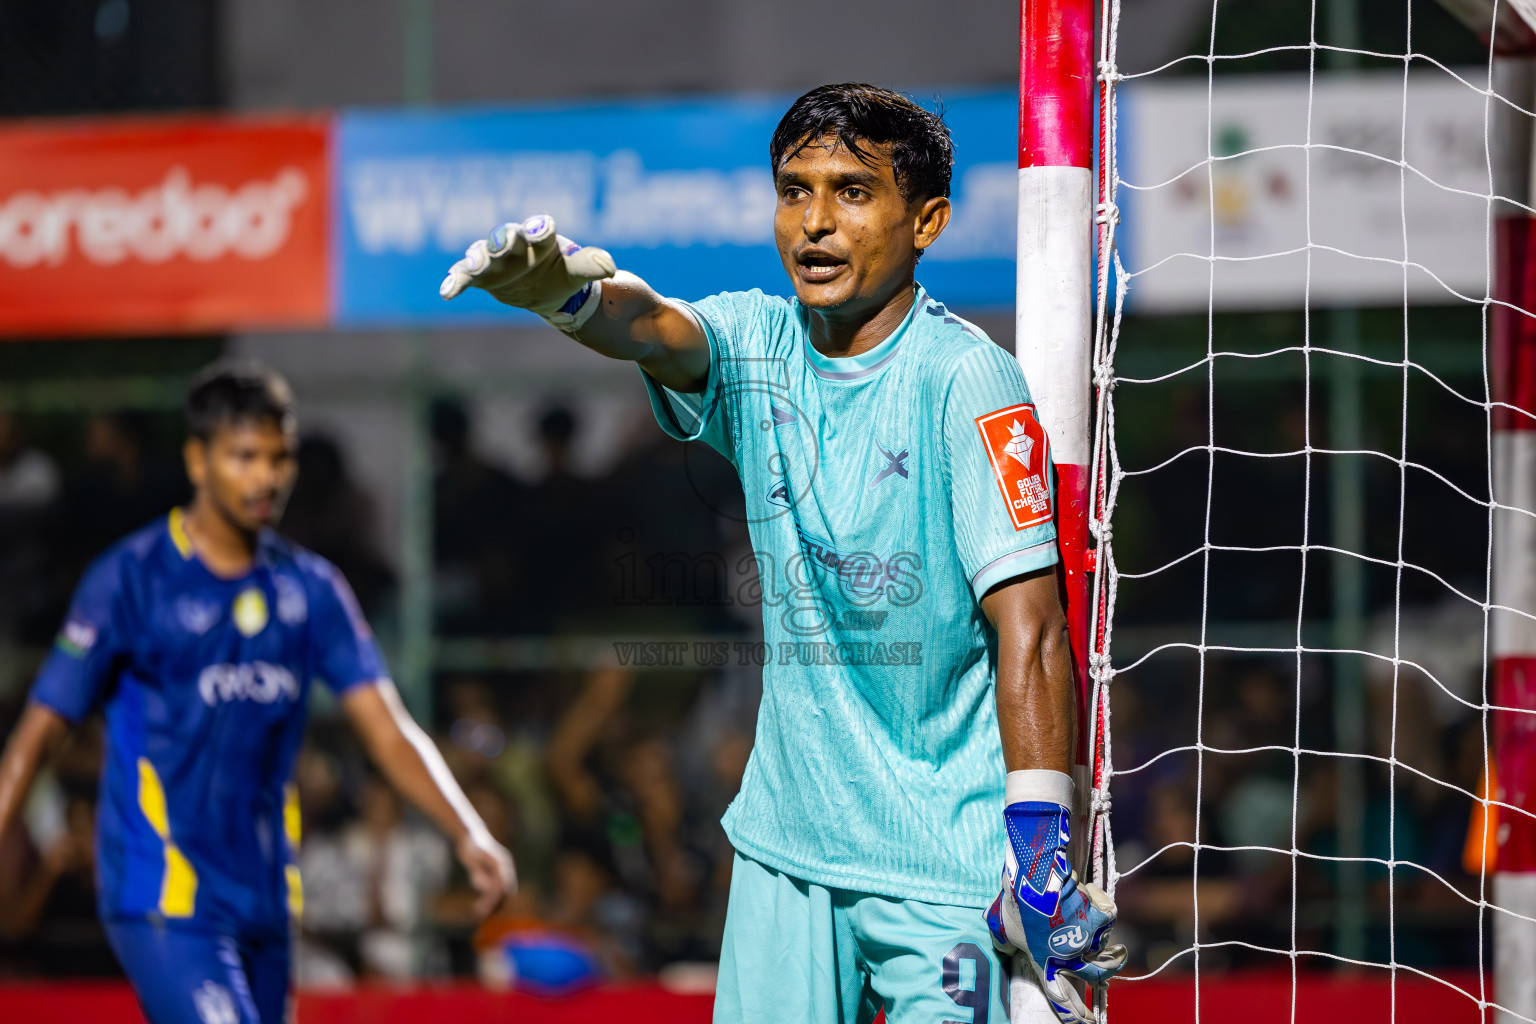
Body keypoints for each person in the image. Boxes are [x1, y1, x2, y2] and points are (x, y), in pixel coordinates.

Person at [441, 83, 1123, 1024]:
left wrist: (1041, 841)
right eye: (794, 190)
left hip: (942, 860)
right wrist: (567, 297)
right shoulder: (760, 342)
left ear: (926, 220)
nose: (815, 223)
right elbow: (651, 325)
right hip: (787, 851)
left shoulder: (970, 381)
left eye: (851, 192)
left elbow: (1035, 629)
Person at [0, 361, 514, 1024]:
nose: (267, 476)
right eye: (244, 456)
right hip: (165, 896)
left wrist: (467, 831)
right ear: (197, 459)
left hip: (267, 902)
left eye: (280, 458)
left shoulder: (311, 590)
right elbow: (36, 737)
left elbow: (388, 731)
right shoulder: (130, 579)